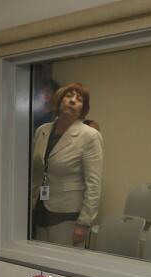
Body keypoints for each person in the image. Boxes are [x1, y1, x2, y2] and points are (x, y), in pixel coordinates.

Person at [30, 82, 103, 247]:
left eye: (79, 99)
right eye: (68, 96)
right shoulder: (42, 130)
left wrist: (84, 222)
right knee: (40, 266)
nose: (72, 101)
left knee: (60, 269)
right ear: (59, 100)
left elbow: (94, 184)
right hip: (39, 208)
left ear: (82, 108)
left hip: (68, 215)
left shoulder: (90, 136)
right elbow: (36, 172)